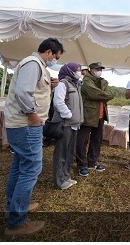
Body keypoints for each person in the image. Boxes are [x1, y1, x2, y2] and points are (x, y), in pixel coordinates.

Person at [4, 38, 64, 237]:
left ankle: (15, 204)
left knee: (19, 165)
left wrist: (50, 87)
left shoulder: (36, 65)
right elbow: (23, 92)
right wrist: (32, 115)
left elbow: (33, 90)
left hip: (21, 124)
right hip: (26, 124)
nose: (54, 60)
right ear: (48, 52)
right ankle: (17, 222)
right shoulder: (33, 64)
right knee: (31, 168)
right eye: (55, 57)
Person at [76, 62, 114, 176]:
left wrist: (101, 95)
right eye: (97, 69)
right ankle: (81, 164)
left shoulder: (102, 81)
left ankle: (92, 162)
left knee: (97, 140)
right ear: (91, 69)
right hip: (88, 115)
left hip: (101, 115)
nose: (99, 70)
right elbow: (94, 94)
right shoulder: (86, 81)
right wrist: (103, 95)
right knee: (82, 141)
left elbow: (111, 94)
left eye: (101, 69)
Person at [52, 62, 84, 190]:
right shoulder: (63, 84)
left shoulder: (76, 85)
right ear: (70, 71)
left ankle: (66, 176)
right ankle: (59, 181)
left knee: (69, 152)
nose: (79, 72)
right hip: (65, 124)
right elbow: (58, 102)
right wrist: (69, 115)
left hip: (74, 125)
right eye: (77, 70)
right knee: (61, 153)